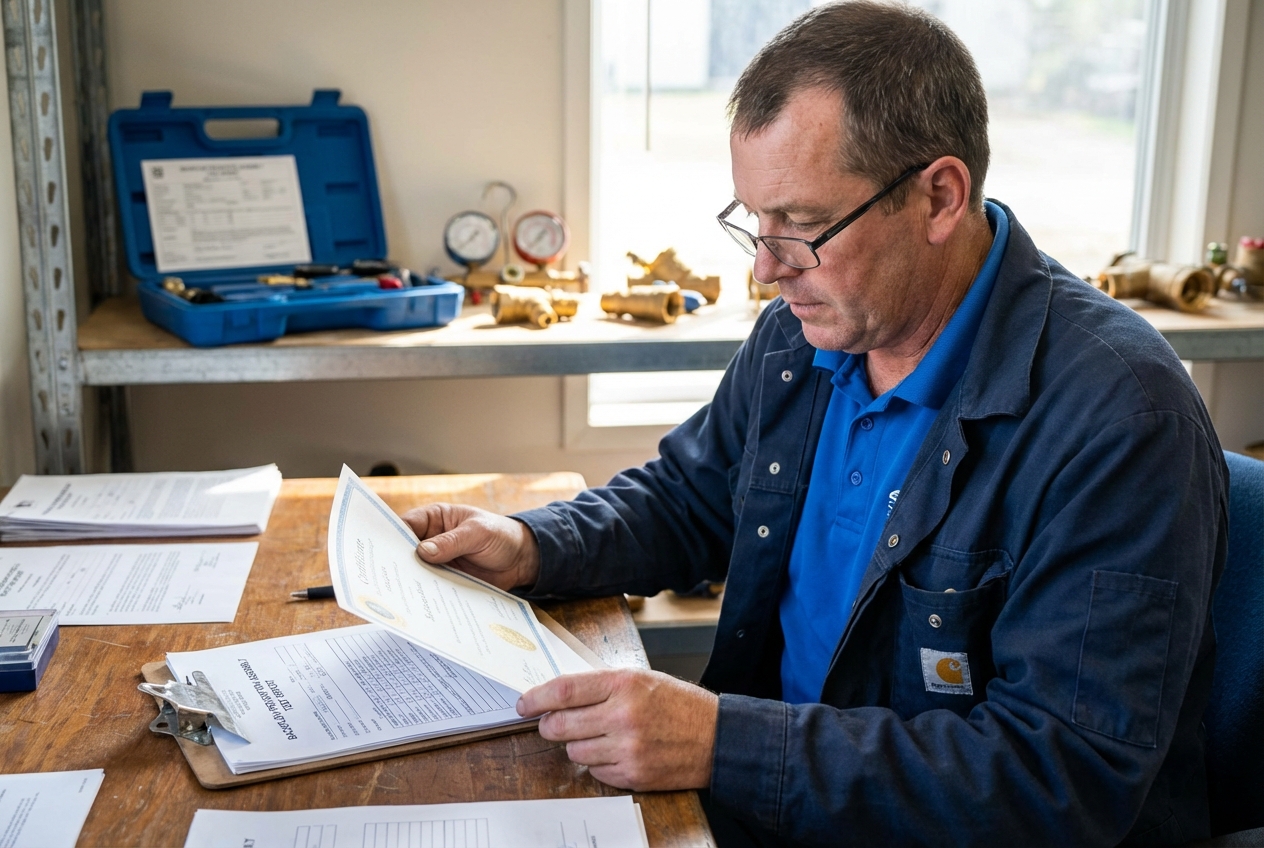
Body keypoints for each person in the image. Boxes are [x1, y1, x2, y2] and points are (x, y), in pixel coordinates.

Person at [403, 2, 1227, 844]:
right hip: (777, 806)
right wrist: (534, 544)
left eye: (800, 226)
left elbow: (1060, 779)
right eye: (755, 224)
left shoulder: (1122, 422)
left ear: (939, 197)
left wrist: (723, 740)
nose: (766, 271)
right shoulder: (810, 333)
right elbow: (693, 495)